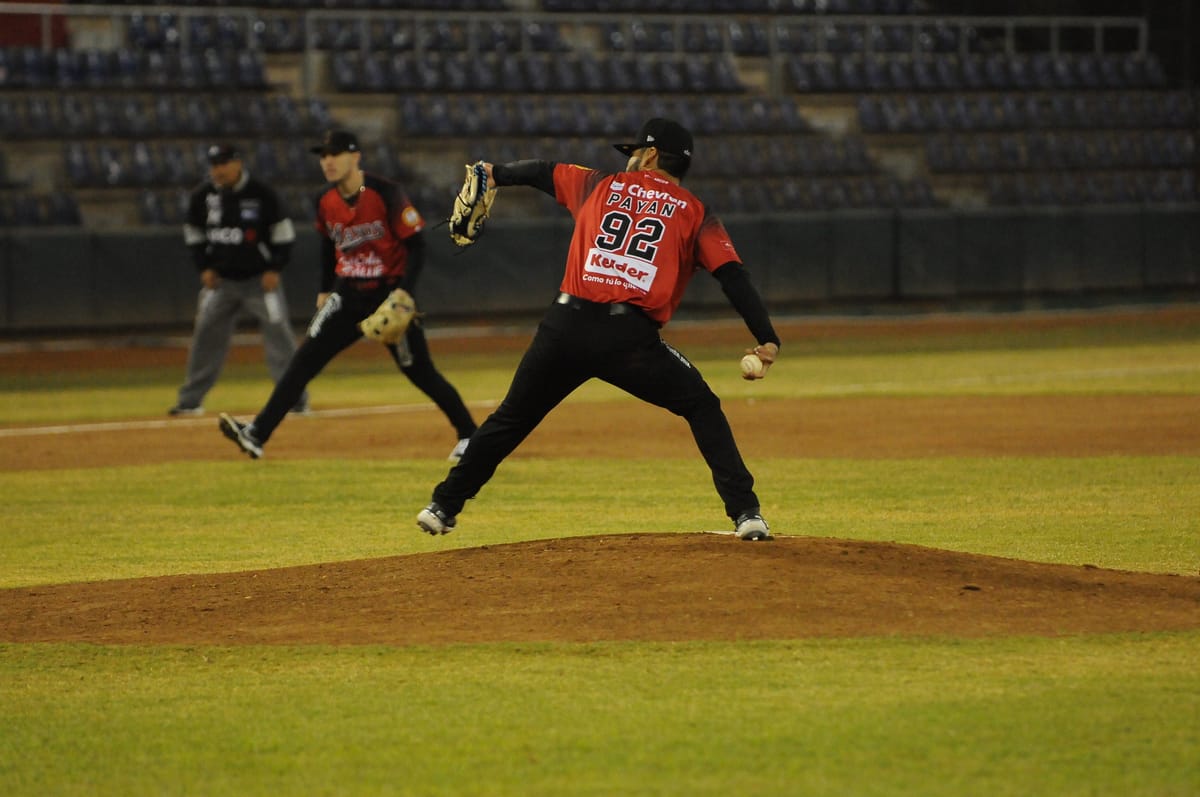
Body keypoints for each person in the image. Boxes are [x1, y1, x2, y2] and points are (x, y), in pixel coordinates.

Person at [416, 117, 781, 541]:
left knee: (510, 420)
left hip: (563, 326)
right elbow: (732, 275)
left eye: (633, 152)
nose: (628, 160)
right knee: (701, 407)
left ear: (650, 155)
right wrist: (766, 336)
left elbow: (541, 170)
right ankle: (747, 515)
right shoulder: (695, 212)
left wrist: (496, 173)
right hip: (628, 340)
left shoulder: (598, 185)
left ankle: (442, 506)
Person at [217, 129, 478, 461]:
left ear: (355, 157)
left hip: (388, 295)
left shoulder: (386, 192)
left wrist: (404, 293)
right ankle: (257, 433)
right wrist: (325, 289)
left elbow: (416, 246)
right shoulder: (324, 200)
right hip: (346, 293)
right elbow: (328, 246)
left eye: (334, 154)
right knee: (304, 360)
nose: (327, 161)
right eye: (323, 156)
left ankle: (469, 433)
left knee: (419, 370)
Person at [170, 143, 307, 416]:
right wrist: (204, 266)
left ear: (237, 163)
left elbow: (284, 235)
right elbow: (193, 233)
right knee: (205, 337)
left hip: (260, 283)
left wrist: (274, 268)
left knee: (280, 339)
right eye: (213, 164)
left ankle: (295, 400)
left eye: (222, 163)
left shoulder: (262, 194)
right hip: (221, 283)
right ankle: (190, 401)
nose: (217, 170)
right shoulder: (203, 195)